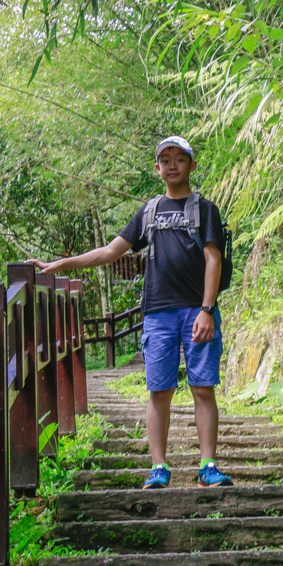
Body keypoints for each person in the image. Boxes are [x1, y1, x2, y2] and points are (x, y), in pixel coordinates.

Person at [27, 135, 233, 489]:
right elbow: (110, 252)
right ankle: (158, 467)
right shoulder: (149, 212)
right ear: (157, 168)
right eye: (165, 160)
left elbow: (213, 259)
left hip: (197, 312)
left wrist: (207, 309)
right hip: (158, 314)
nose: (172, 165)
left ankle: (208, 465)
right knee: (159, 391)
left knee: (203, 388)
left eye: (179, 159)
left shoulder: (205, 209)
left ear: (192, 165)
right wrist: (59, 264)